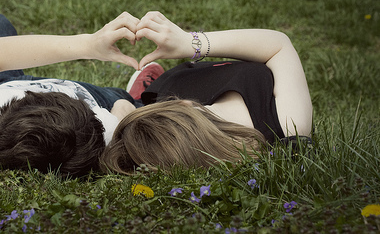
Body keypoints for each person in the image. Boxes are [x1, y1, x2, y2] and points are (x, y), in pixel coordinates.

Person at [0, 12, 154, 178]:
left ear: (11, 108)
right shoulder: (100, 132)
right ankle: (141, 96)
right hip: (86, 105)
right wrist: (126, 106)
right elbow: (121, 110)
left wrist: (89, 44)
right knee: (120, 97)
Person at [100, 11, 313, 174]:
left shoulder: (168, 137)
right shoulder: (289, 126)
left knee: (123, 106)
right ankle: (136, 102)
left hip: (164, 92)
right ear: (184, 105)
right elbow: (279, 46)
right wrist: (191, 43)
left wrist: (124, 114)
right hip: (174, 94)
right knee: (125, 108)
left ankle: (138, 100)